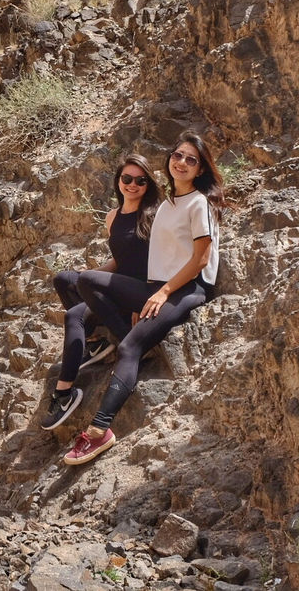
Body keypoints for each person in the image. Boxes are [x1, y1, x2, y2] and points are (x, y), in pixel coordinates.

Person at [63, 130, 228, 465]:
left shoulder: (200, 203)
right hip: (160, 286)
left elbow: (199, 260)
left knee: (129, 346)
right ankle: (124, 334)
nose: (182, 162)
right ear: (169, 160)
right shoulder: (167, 204)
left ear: (200, 170)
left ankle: (99, 433)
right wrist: (146, 297)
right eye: (178, 155)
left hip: (190, 288)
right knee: (88, 282)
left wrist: (162, 293)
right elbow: (158, 259)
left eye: (191, 159)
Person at [41, 154, 161, 430]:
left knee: (74, 316)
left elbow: (159, 260)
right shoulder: (112, 217)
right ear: (118, 180)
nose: (132, 185)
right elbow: (121, 259)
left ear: (148, 184)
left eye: (140, 180)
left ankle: (64, 393)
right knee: (64, 278)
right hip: (118, 285)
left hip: (140, 290)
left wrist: (136, 304)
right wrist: (90, 275)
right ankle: (95, 342)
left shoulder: (153, 215)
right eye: (127, 178)